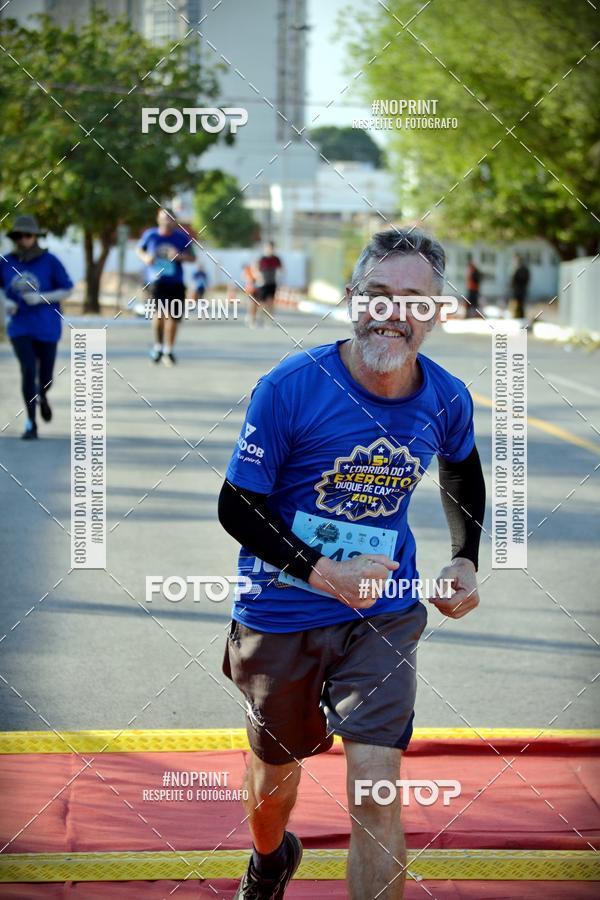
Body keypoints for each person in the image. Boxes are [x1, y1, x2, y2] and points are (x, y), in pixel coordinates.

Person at [218, 228, 486, 899]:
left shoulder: (447, 397)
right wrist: (320, 571)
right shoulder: (290, 388)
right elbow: (236, 507)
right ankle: (270, 859)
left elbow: (462, 471)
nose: (394, 312)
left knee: (375, 793)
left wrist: (465, 557)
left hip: (381, 618)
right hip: (280, 612)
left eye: (414, 300)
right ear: (351, 301)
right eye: (378, 294)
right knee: (272, 791)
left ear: (436, 312)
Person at [0, 215, 73, 440]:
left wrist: (42, 297)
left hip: (47, 327)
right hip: (19, 326)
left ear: (36, 237)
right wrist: (6, 302)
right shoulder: (6, 261)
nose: (24, 239)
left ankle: (42, 395)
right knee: (28, 370)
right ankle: (31, 422)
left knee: (46, 377)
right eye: (19, 235)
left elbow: (67, 289)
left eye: (28, 235)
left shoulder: (50, 261)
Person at [136, 208, 195, 366]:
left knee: (173, 318)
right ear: (158, 219)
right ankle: (158, 347)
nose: (167, 221)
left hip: (176, 282)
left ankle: (168, 351)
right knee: (159, 314)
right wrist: (145, 257)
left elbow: (193, 257)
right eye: (164, 218)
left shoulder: (182, 237)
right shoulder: (151, 235)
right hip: (156, 281)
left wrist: (179, 256)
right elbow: (139, 249)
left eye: (170, 218)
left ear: (174, 220)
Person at [255, 241, 282, 324]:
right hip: (263, 283)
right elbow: (256, 269)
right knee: (262, 302)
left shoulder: (276, 259)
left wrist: (279, 275)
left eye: (271, 247)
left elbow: (280, 269)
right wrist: (259, 277)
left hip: (272, 282)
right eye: (268, 247)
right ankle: (259, 316)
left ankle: (269, 319)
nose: (269, 249)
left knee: (271, 301)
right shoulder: (262, 259)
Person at [510, 253, 530, 319]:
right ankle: (520, 316)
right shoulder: (525, 269)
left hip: (518, 289)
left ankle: (518, 316)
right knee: (520, 304)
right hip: (522, 289)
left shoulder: (518, 269)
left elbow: (514, 280)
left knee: (518, 304)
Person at [465, 252, 481, 317]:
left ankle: (472, 314)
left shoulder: (473, 268)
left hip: (473, 288)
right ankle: (471, 313)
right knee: (471, 302)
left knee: (472, 302)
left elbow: (474, 278)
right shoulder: (471, 268)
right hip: (471, 287)